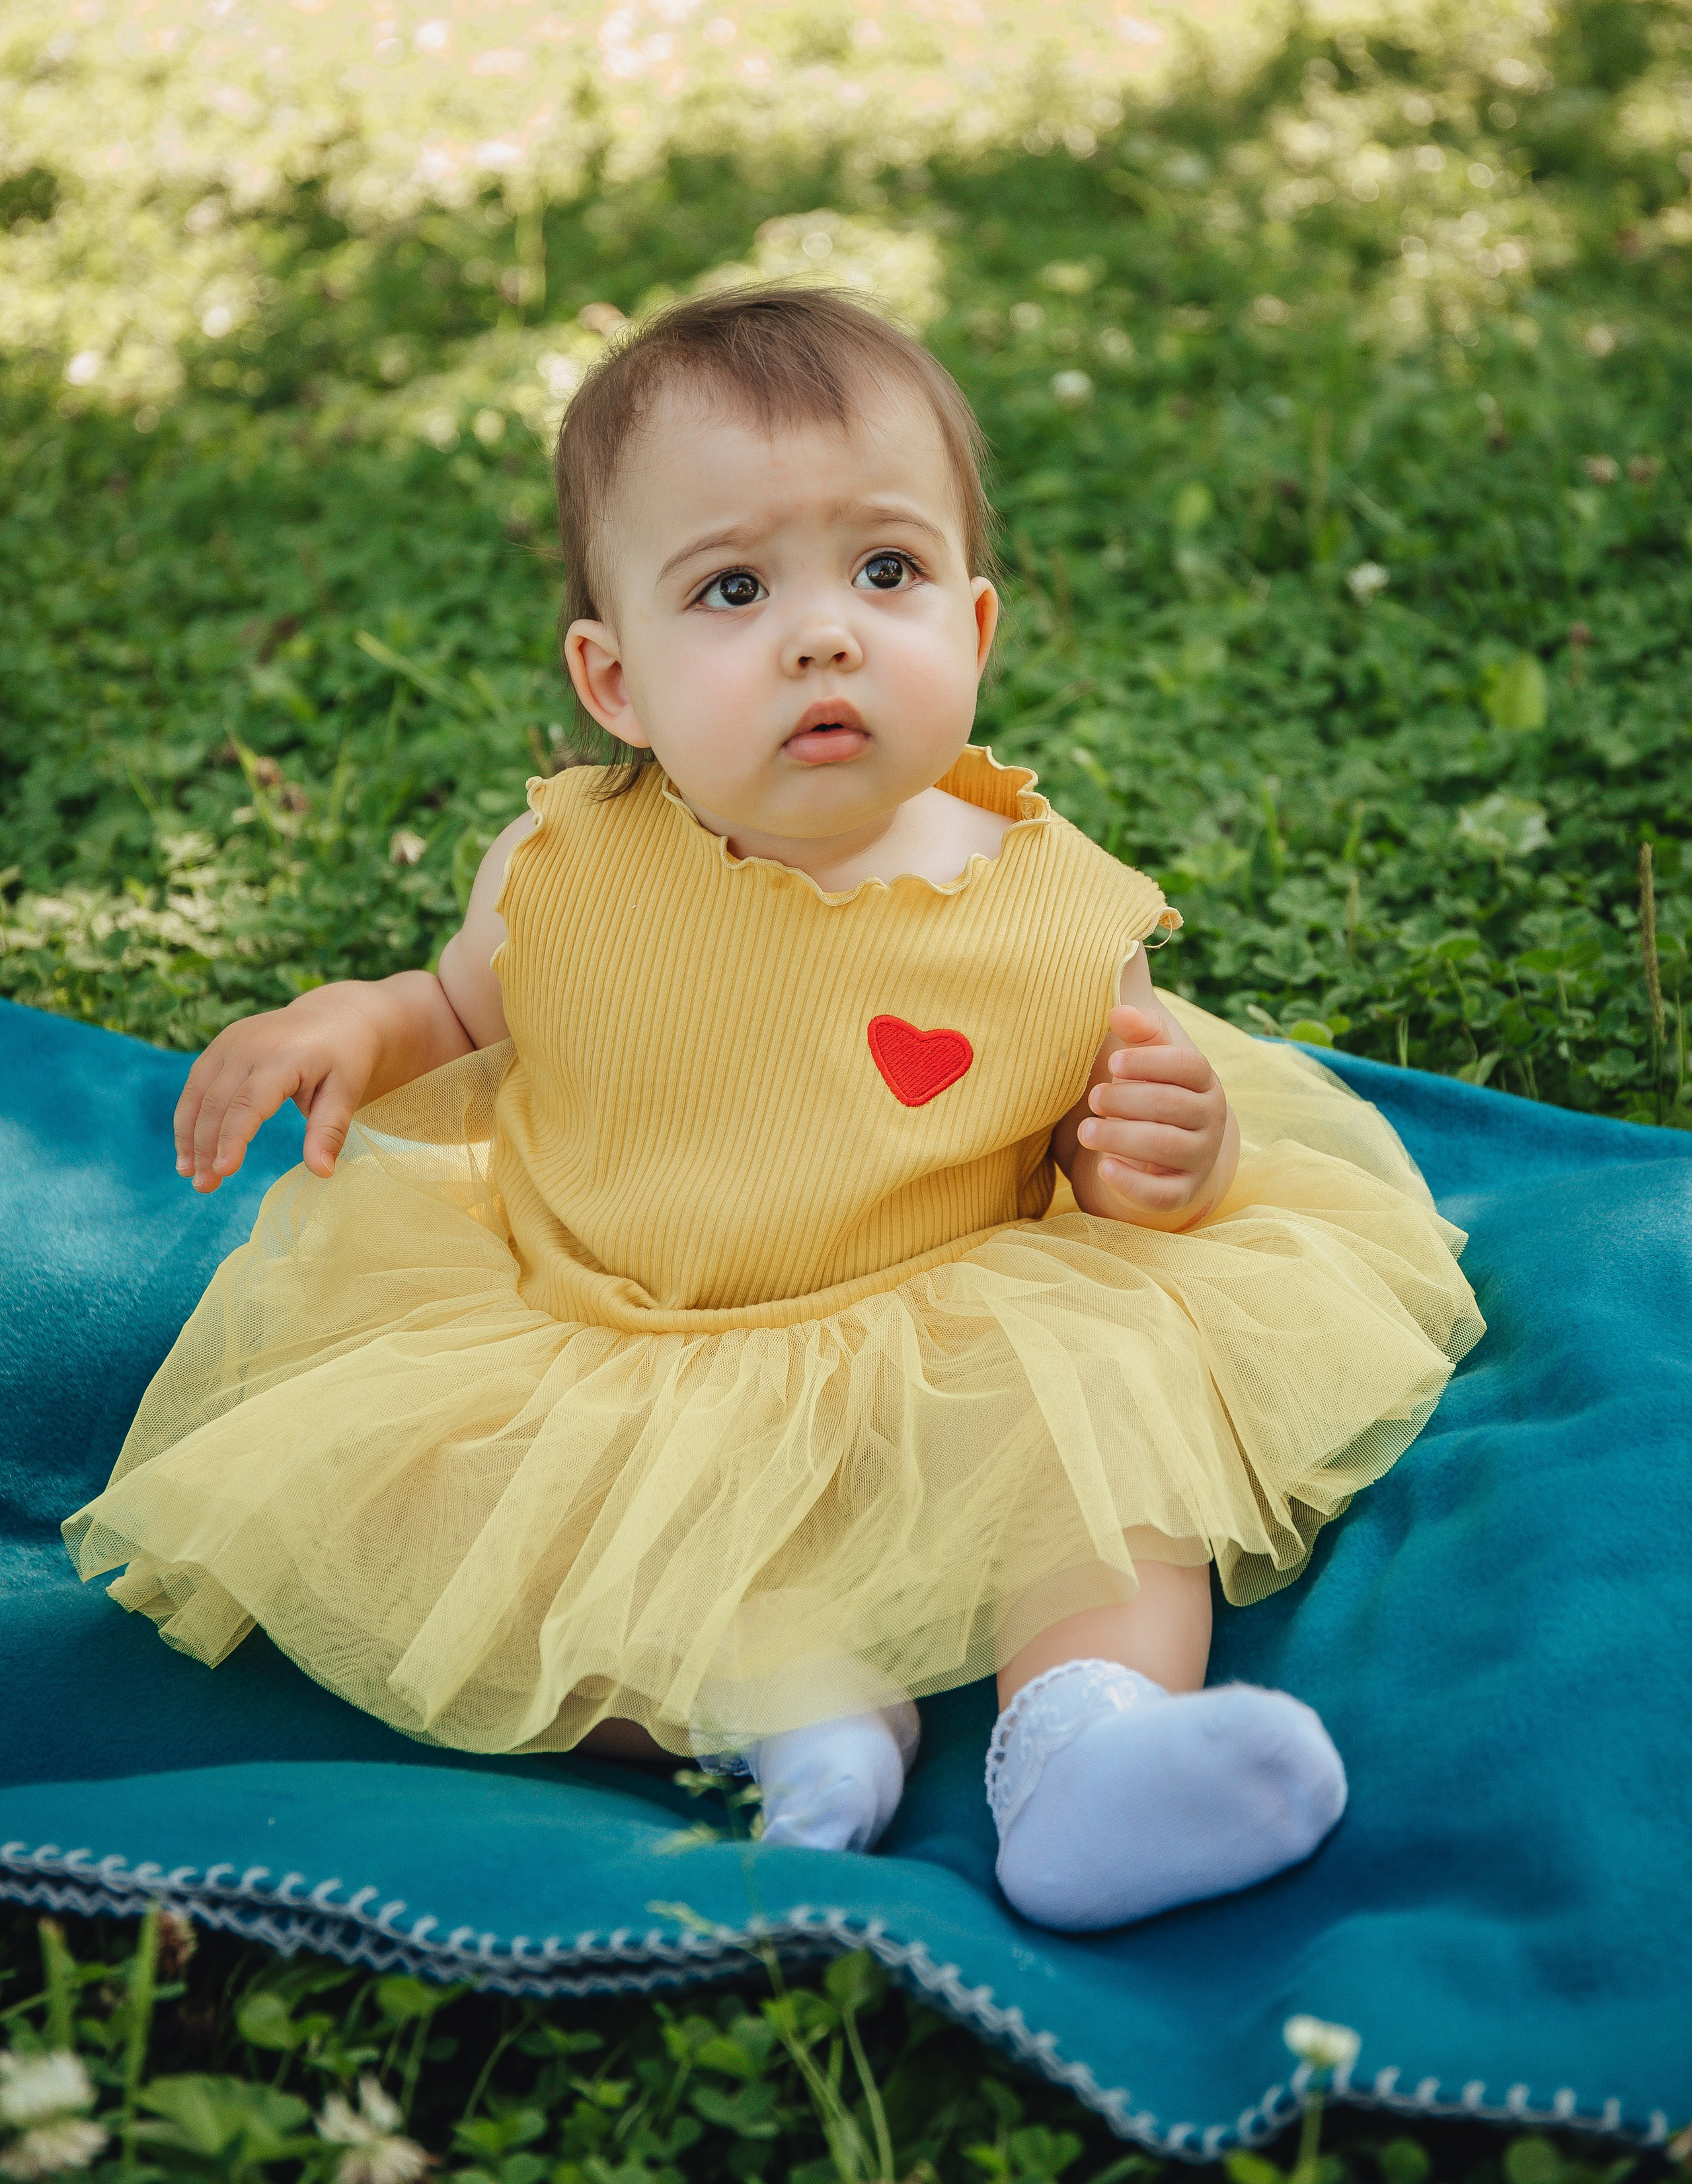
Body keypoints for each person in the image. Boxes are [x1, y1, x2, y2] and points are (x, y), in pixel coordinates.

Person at [64, 287, 1482, 1933]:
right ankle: (782, 1703)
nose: (823, 635)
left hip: (956, 1339)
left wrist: (1173, 1158)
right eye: (733, 589)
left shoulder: (1049, 907)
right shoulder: (564, 869)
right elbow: (457, 1018)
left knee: (1105, 1449)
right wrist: (352, 1025)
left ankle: (1084, 1739)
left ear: (974, 626)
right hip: (620, 1346)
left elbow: (1110, 1156)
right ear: (615, 680)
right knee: (463, 1543)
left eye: (884, 572)